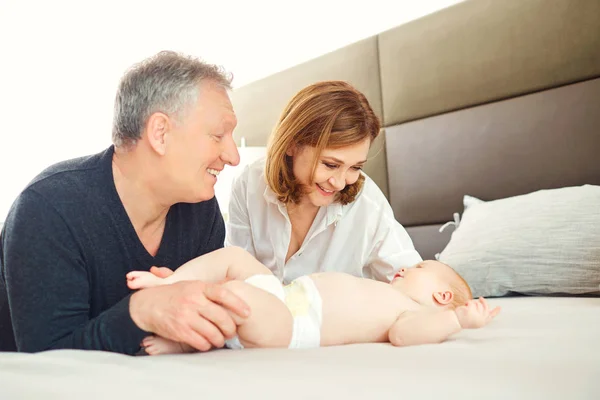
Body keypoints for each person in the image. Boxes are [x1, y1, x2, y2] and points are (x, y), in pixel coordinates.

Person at [0, 51, 252, 354]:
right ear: (160, 133)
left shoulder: (201, 212)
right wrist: (142, 311)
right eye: (218, 135)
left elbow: (209, 337)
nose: (233, 156)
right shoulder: (49, 209)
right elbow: (47, 363)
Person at [126, 246, 500, 355]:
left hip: (292, 327)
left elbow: (405, 336)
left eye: (419, 267)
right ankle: (173, 282)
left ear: (441, 295)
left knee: (235, 297)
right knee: (234, 257)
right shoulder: (386, 290)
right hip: (282, 294)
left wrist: (457, 321)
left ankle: (184, 340)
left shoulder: (410, 312)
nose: (406, 267)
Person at [226, 81, 422, 284]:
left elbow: (418, 283)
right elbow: (237, 276)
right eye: (330, 164)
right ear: (291, 144)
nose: (339, 183)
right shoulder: (249, 185)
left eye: (355, 168)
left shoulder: (368, 205)